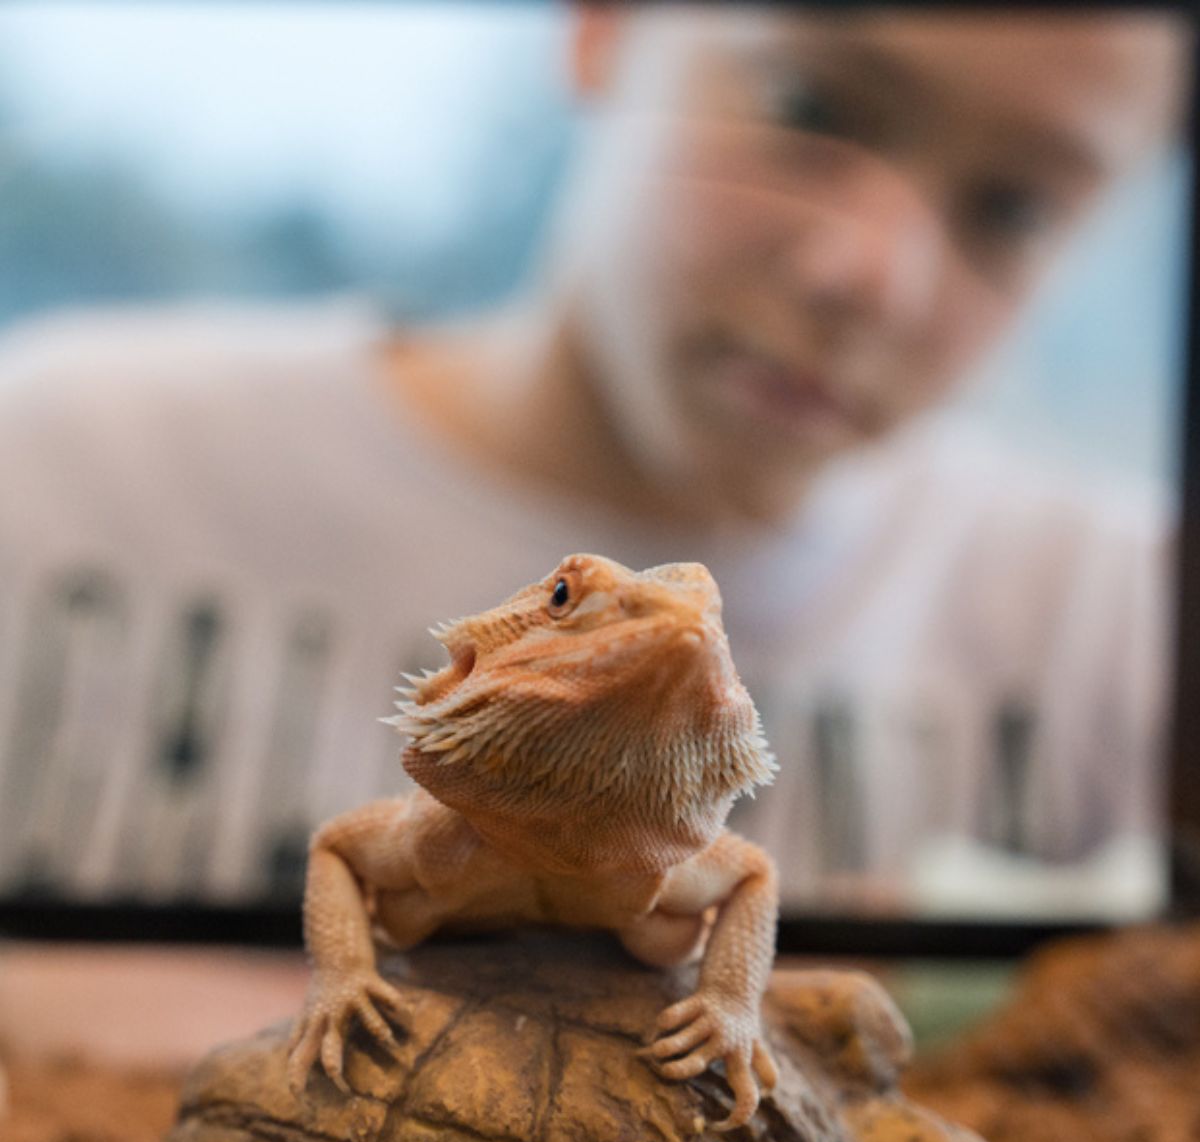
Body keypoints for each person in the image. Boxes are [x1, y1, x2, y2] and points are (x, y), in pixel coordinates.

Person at [0, 5, 1187, 918]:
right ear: (604, 24)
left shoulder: (1128, 625)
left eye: (1014, 210)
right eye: (810, 104)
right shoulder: (49, 462)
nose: (869, 275)